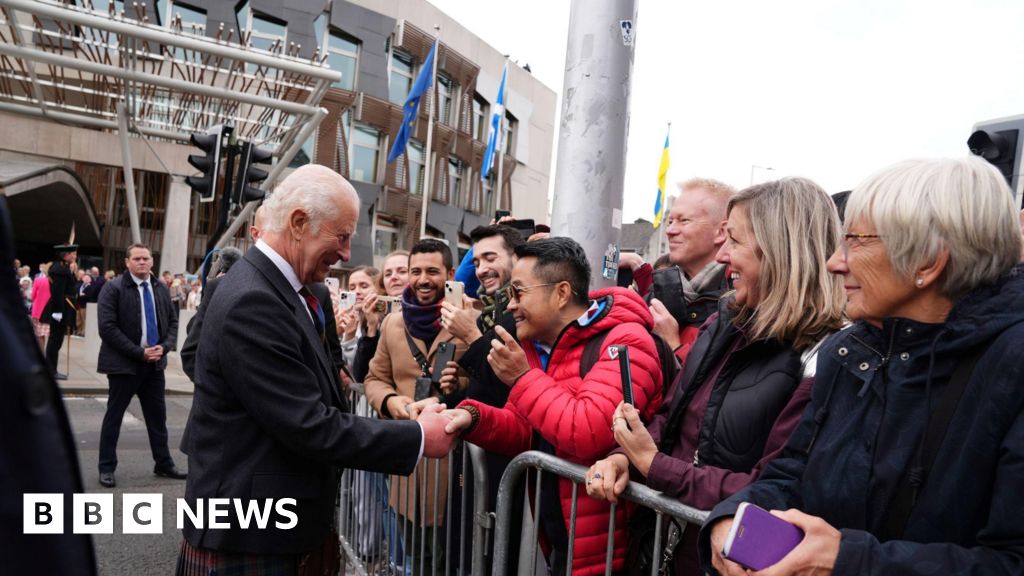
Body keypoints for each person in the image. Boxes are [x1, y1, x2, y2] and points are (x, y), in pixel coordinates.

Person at [701, 156, 1024, 576]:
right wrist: (731, 519)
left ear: (928, 261)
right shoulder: (848, 351)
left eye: (856, 240)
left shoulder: (1011, 370)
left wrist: (847, 562)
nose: (835, 262)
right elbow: (791, 470)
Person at [178, 165, 454, 573]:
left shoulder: (275, 289)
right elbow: (307, 423)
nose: (346, 254)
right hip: (252, 533)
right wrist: (415, 437)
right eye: (341, 237)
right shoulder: (254, 301)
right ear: (299, 222)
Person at [586, 178, 846, 574]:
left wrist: (655, 466)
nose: (721, 256)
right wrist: (625, 458)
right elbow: (672, 417)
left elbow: (775, 486)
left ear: (781, 250)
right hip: (667, 549)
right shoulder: (725, 321)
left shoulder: (822, 356)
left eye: (735, 241)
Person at [444, 237, 664, 575]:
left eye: (519, 293)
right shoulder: (540, 346)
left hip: (611, 550)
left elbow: (586, 430)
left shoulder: (625, 340)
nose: (511, 305)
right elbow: (526, 430)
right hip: (564, 538)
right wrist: (472, 417)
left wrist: (520, 379)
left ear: (561, 293)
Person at [363, 238, 470, 573]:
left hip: (457, 468)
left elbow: (487, 382)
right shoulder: (393, 323)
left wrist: (460, 386)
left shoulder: (471, 321)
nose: (423, 279)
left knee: (450, 560)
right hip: (409, 460)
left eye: (433, 271)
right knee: (415, 558)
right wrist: (393, 402)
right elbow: (373, 379)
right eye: (416, 271)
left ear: (450, 274)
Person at [95, 243, 184, 488]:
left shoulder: (161, 288)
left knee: (158, 418)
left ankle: (163, 463)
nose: (142, 262)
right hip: (124, 365)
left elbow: (173, 322)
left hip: (154, 365)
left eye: (146, 258)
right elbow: (107, 328)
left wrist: (164, 347)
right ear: (127, 262)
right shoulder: (113, 288)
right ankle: (106, 467)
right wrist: (139, 352)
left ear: (152, 262)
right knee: (114, 416)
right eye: (136, 259)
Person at [649, 178, 735, 365]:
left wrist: (673, 345)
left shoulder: (739, 304)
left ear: (721, 232)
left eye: (684, 221)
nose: (670, 230)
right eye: (670, 221)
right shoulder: (656, 294)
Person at [350, 250, 410, 382]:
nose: (394, 277)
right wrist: (371, 327)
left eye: (402, 271)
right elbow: (361, 375)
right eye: (388, 274)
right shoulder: (377, 314)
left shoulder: (428, 313)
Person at [43, 243, 78, 379]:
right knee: (55, 341)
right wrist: (58, 311)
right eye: (73, 253)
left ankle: (51, 370)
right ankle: (51, 371)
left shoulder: (63, 268)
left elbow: (69, 286)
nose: (75, 256)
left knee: (56, 341)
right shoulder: (60, 270)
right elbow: (57, 292)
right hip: (61, 308)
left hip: (64, 307)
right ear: (66, 255)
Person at [30, 262, 51, 350]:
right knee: (50, 336)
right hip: (50, 312)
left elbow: (32, 296)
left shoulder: (38, 280)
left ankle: (42, 354)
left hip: (38, 311)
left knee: (39, 335)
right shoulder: (56, 282)